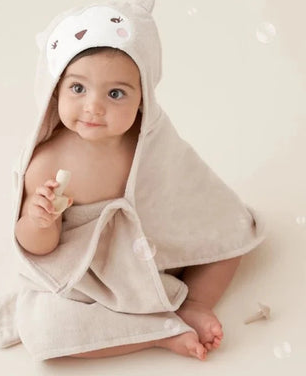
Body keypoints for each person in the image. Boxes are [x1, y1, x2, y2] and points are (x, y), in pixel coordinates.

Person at [14, 45, 243, 361]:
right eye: (78, 88)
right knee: (45, 329)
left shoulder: (149, 140)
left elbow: (187, 187)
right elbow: (41, 250)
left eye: (116, 94)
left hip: (160, 248)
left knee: (233, 231)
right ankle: (159, 334)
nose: (94, 106)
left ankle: (195, 304)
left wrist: (204, 225)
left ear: (142, 100)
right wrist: (39, 221)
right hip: (97, 276)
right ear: (56, 91)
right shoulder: (47, 164)